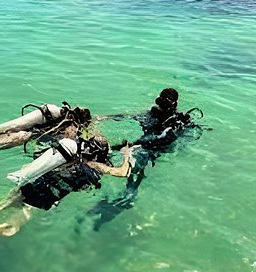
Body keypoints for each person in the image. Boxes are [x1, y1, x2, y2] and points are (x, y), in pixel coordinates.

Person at [0, 127, 134, 248]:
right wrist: (127, 154)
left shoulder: (74, 155)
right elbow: (122, 172)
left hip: (33, 184)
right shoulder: (94, 165)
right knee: (11, 229)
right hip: (43, 198)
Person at [86, 88, 203, 230]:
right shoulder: (173, 120)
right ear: (175, 103)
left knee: (133, 172)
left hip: (145, 149)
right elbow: (160, 137)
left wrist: (105, 120)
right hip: (148, 150)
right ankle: (128, 198)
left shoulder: (159, 117)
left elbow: (133, 118)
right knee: (136, 174)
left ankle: (127, 198)